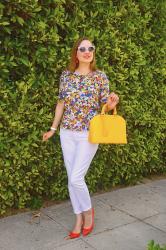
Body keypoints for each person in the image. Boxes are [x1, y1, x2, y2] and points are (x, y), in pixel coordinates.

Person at [42, 37, 119, 239]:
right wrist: (53, 128)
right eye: (82, 48)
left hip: (89, 133)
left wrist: (111, 103)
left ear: (93, 52)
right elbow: (61, 104)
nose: (87, 51)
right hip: (67, 133)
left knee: (76, 177)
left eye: (90, 48)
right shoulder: (66, 76)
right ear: (76, 53)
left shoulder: (100, 76)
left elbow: (105, 105)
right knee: (72, 178)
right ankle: (78, 217)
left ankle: (88, 213)